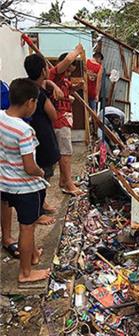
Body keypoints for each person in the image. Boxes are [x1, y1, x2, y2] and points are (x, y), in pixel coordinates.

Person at [0, 78, 50, 283]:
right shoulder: (24, 131)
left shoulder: (1, 118)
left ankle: (32, 254)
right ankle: (26, 273)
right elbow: (30, 167)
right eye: (36, 102)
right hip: (24, 188)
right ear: (30, 102)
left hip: (4, 183)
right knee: (27, 227)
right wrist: (41, 173)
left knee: (26, 227)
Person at [50, 48, 85, 196]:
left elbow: (69, 91)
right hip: (59, 119)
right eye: (69, 68)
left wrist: (78, 86)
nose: (70, 71)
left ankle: (64, 181)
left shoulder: (65, 79)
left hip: (65, 118)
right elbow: (68, 60)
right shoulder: (55, 75)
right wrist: (77, 50)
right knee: (65, 153)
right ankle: (69, 184)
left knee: (66, 152)